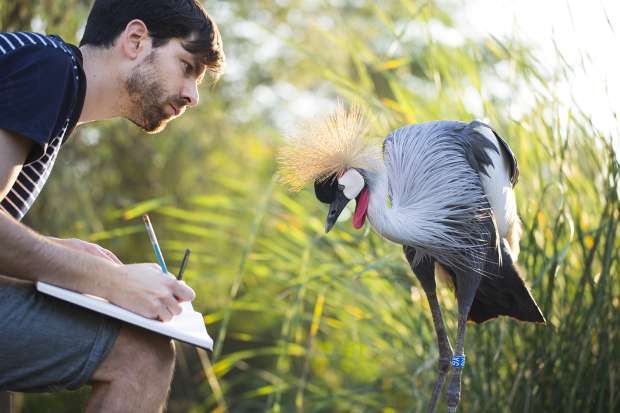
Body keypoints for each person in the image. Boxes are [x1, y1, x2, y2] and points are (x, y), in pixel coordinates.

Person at [0, 0, 225, 411]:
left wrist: (59, 249)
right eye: (187, 66)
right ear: (136, 39)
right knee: (141, 356)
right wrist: (111, 282)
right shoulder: (46, 70)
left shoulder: (50, 79)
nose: (193, 95)